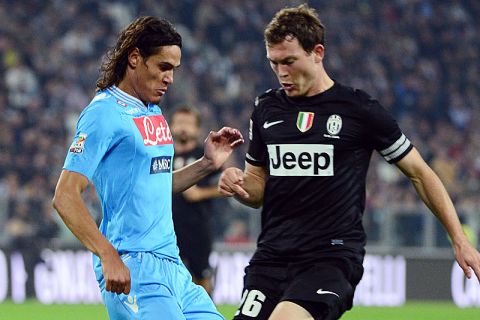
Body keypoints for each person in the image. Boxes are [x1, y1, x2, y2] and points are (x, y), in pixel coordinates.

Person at [218, 4, 480, 320]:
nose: (281, 72)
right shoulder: (265, 108)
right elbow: (257, 188)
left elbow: (420, 173)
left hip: (330, 258)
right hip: (271, 258)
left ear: (317, 52)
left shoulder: (359, 109)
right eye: (274, 63)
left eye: (289, 61)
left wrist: (459, 239)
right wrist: (238, 183)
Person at [52, 16, 243, 319]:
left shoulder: (152, 113)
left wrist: (207, 165)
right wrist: (108, 255)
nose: (170, 78)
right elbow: (65, 196)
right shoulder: (103, 112)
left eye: (174, 70)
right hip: (134, 266)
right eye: (163, 67)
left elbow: (157, 183)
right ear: (135, 58)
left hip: (173, 265)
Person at [170, 105, 222, 296]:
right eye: (180, 123)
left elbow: (224, 186)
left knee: (201, 278)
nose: (184, 128)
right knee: (169, 279)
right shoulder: (163, 155)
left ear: (197, 129)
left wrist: (201, 193)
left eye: (188, 124)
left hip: (197, 228)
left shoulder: (206, 156)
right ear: (171, 126)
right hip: (167, 228)